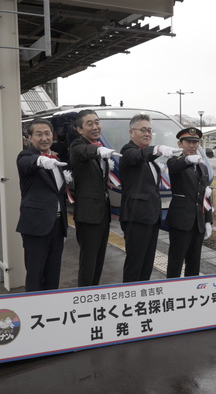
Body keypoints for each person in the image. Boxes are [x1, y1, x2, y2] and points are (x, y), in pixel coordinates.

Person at [119, 114, 181, 282]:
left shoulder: (151, 161)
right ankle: (131, 300)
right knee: (135, 264)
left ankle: (143, 298)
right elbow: (137, 156)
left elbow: (146, 157)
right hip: (136, 218)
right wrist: (157, 149)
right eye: (143, 130)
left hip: (151, 218)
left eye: (150, 130)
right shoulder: (127, 151)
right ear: (132, 132)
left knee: (147, 264)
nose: (147, 134)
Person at [16, 118, 69, 292]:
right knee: (35, 274)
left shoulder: (56, 159)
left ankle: (51, 311)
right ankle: (33, 312)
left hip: (57, 225)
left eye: (47, 134)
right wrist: (40, 161)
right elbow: (27, 163)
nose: (44, 138)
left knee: (53, 273)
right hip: (36, 226)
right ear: (30, 138)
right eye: (39, 134)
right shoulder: (25, 156)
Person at [69, 109, 120, 287]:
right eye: (89, 123)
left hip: (102, 213)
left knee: (99, 259)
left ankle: (95, 292)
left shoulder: (99, 147)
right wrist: (98, 152)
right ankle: (84, 295)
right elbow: (85, 151)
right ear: (80, 129)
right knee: (88, 261)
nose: (95, 126)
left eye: (97, 122)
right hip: (88, 214)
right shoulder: (78, 146)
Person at [165, 127, 213, 278]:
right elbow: (175, 167)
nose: (192, 146)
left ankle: (191, 292)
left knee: (194, 263)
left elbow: (206, 195)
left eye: (195, 142)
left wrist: (208, 221)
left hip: (198, 222)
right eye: (188, 142)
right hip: (181, 222)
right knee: (176, 261)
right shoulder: (174, 161)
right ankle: (172, 291)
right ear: (180, 144)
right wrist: (186, 160)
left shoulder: (202, 167)